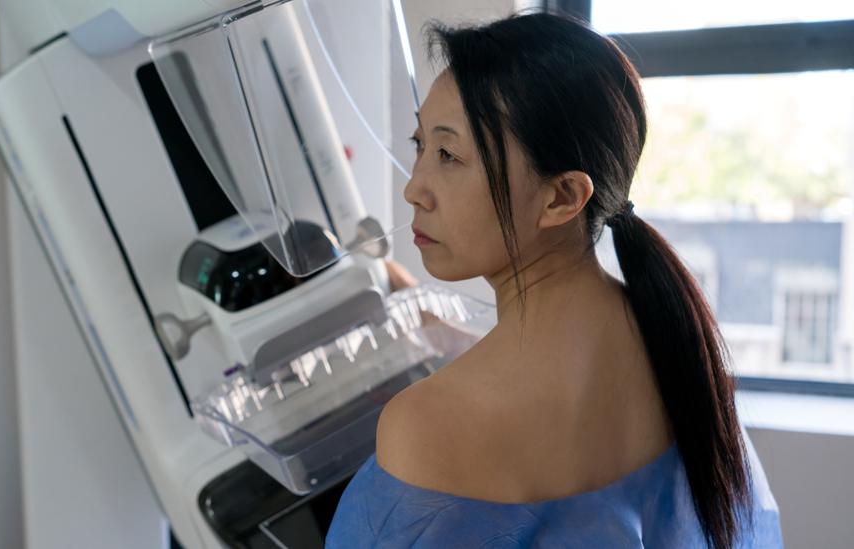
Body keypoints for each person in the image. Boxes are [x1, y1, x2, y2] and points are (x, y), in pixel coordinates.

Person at [325, 11, 782, 549]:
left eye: (449, 155)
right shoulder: (671, 337)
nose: (415, 189)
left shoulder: (422, 427)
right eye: (420, 144)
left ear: (562, 197)